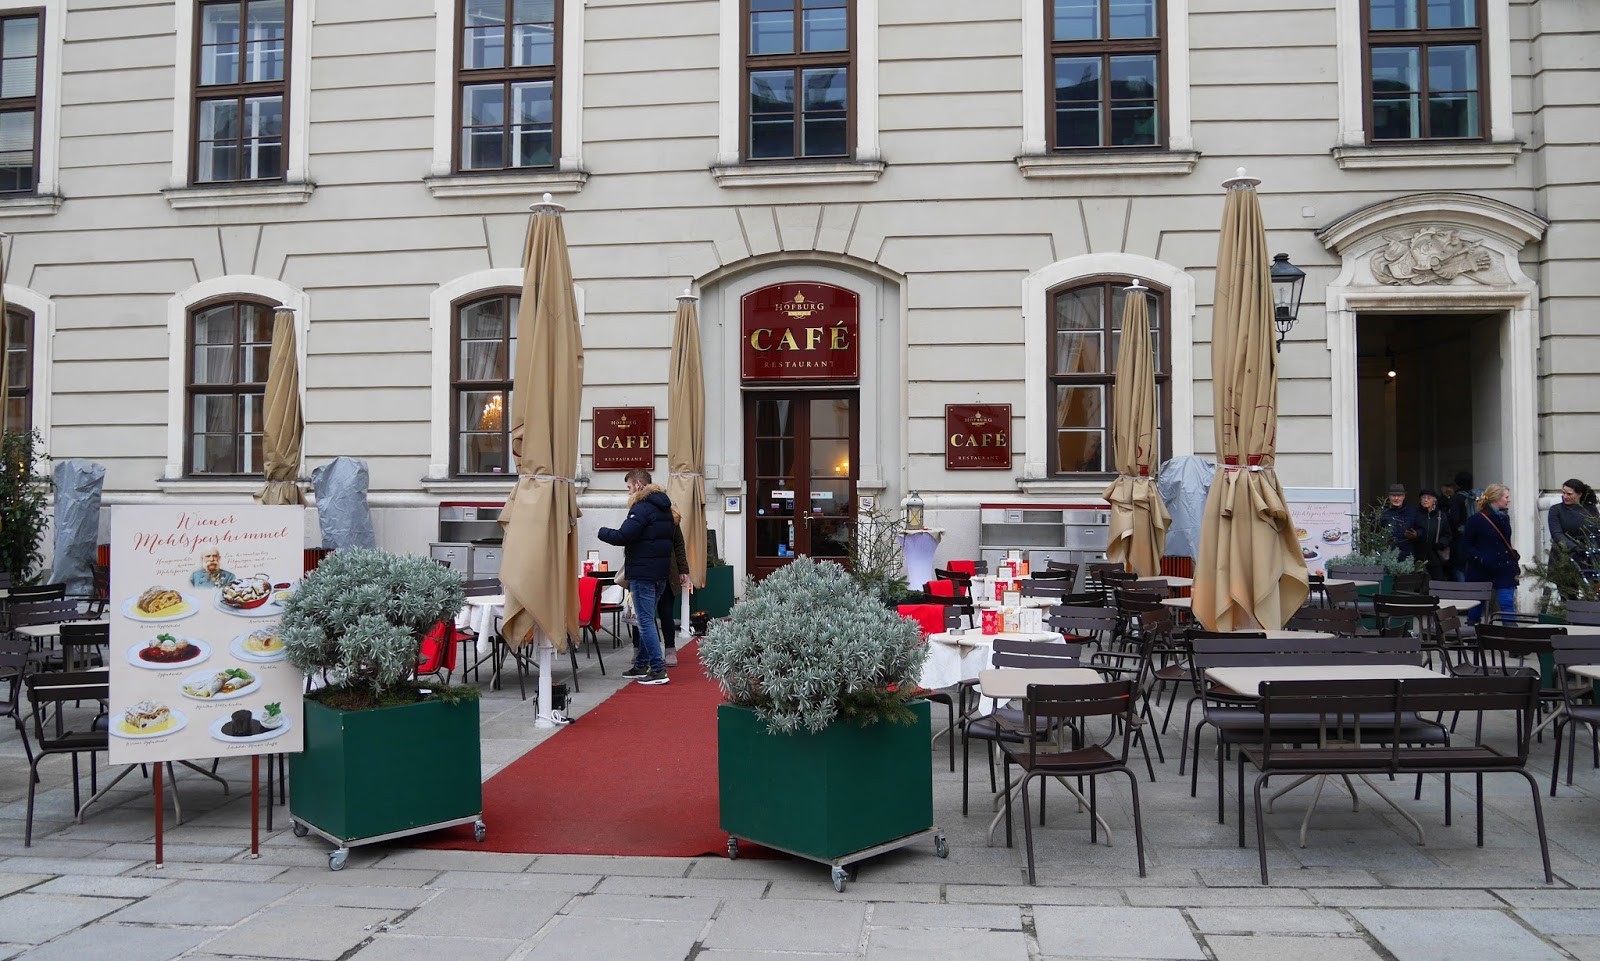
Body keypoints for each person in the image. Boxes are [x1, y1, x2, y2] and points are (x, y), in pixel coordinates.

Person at [597, 468, 677, 685]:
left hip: (643, 573)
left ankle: (658, 670)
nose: (628, 492)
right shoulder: (664, 507)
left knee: (644, 621)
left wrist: (602, 531)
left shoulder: (641, 508)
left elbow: (624, 535)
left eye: (629, 487)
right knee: (647, 619)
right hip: (660, 573)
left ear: (639, 485)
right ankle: (641, 665)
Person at [1461, 484, 1519, 621]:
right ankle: (1473, 636)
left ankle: (1511, 636)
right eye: (1506, 497)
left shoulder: (1505, 518)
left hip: (1504, 568)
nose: (1508, 500)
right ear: (1496, 499)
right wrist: (1481, 558)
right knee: (1476, 607)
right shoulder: (1476, 520)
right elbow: (1466, 546)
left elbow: (1505, 542)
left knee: (1507, 604)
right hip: (1481, 570)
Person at [1548, 477, 1600, 588]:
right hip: (1564, 558)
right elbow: (1557, 533)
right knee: (1568, 594)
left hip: (1589, 559)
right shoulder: (1556, 510)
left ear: (1579, 494)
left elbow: (1596, 529)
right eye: (1563, 493)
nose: (1565, 496)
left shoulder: (1590, 509)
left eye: (1569, 494)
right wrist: (1574, 547)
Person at [1413, 488, 1455, 582]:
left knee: (1438, 581)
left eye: (1428, 498)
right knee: (1417, 583)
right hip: (1418, 555)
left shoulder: (1440, 515)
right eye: (1423, 498)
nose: (1425, 500)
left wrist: (1441, 543)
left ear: (1434, 500)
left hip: (1434, 554)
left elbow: (1448, 535)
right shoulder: (1415, 514)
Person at [1445, 471, 1479, 581]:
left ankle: (1463, 592)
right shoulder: (1473, 497)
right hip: (1474, 535)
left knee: (1458, 567)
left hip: (1459, 536)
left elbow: (1454, 519)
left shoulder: (1456, 498)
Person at [1378, 484, 1423, 561]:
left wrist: (1416, 534)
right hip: (1388, 553)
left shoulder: (1413, 511)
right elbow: (1375, 531)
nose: (1396, 498)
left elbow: (1422, 529)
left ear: (1404, 497)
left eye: (1399, 495)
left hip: (1408, 553)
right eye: (1393, 496)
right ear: (1389, 497)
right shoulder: (1382, 512)